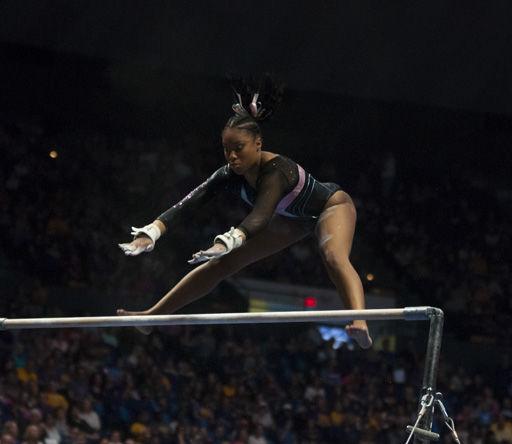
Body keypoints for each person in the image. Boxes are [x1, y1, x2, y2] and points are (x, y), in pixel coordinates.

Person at [118, 76, 372, 348]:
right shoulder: (229, 174)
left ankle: (360, 321)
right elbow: (188, 203)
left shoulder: (277, 172)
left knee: (333, 256)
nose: (232, 157)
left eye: (238, 149)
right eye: (227, 150)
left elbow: (261, 216)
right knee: (221, 264)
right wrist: (152, 232)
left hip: (331, 207)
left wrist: (226, 240)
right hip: (293, 218)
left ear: (258, 144)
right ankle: (151, 318)